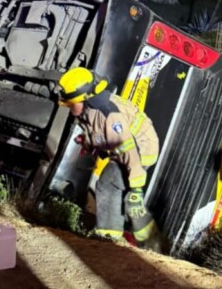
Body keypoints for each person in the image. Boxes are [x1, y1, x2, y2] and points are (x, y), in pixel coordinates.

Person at [57, 67, 162, 249]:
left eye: (70, 103)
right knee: (112, 186)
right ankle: (118, 238)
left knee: (114, 188)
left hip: (141, 150)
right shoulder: (89, 108)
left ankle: (117, 239)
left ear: (85, 98)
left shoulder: (109, 115)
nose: (67, 105)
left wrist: (137, 189)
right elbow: (97, 131)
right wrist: (88, 142)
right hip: (127, 149)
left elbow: (129, 151)